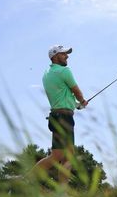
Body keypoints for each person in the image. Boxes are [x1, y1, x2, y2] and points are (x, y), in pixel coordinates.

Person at [27, 45, 88, 187]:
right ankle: (59, 192)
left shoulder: (47, 74)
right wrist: (82, 101)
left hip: (56, 116)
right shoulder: (65, 71)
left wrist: (74, 104)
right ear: (54, 56)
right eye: (63, 54)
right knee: (62, 157)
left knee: (61, 156)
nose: (67, 56)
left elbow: (61, 93)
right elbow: (76, 91)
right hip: (64, 118)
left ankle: (58, 191)